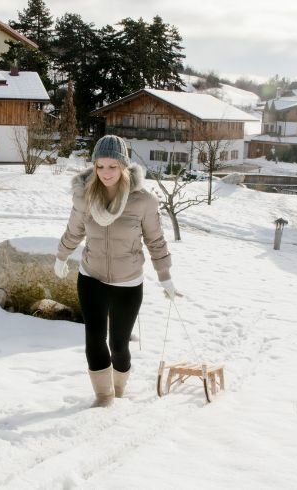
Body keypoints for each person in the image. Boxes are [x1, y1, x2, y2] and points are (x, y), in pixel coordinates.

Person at [54, 135, 177, 408]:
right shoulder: (85, 196)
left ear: (124, 166)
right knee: (94, 340)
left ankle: (119, 391)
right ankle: (104, 398)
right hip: (91, 278)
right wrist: (61, 256)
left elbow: (155, 240)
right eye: (100, 166)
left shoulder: (143, 201)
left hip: (128, 283)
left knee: (119, 345)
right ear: (94, 166)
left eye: (112, 166)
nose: (106, 173)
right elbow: (74, 230)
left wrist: (165, 276)